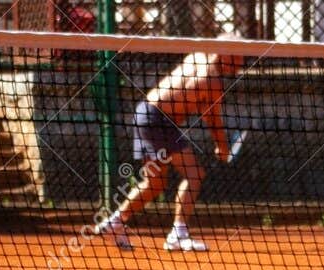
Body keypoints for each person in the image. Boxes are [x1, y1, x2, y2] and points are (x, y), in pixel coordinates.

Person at [94, 37, 243, 252]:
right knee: (195, 175)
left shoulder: (197, 56)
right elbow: (212, 118)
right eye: (238, 56)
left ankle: (115, 222)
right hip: (159, 121)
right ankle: (178, 234)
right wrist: (222, 146)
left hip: (144, 113)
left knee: (154, 184)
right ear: (225, 54)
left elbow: (194, 97)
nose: (241, 62)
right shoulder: (213, 83)